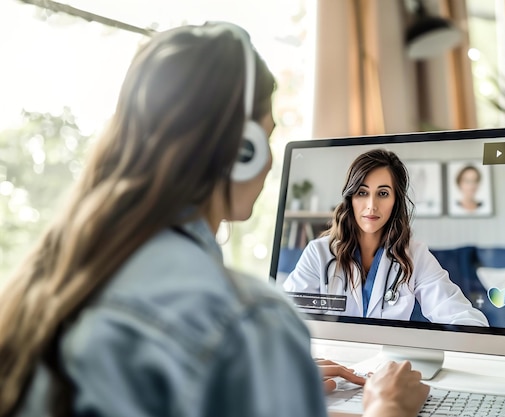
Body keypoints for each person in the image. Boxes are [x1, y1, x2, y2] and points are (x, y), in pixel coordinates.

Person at [0, 23, 429, 417]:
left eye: (383, 193)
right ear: (244, 150)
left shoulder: (46, 285)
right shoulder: (248, 320)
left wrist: (267, 376)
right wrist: (386, 408)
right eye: (269, 135)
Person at [283, 149, 489, 325]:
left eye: (383, 194)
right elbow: (286, 318)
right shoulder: (318, 253)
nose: (371, 205)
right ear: (350, 199)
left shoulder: (415, 255)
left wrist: (478, 338)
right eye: (362, 193)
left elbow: (457, 312)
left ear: (395, 202)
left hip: (388, 363)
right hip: (333, 359)